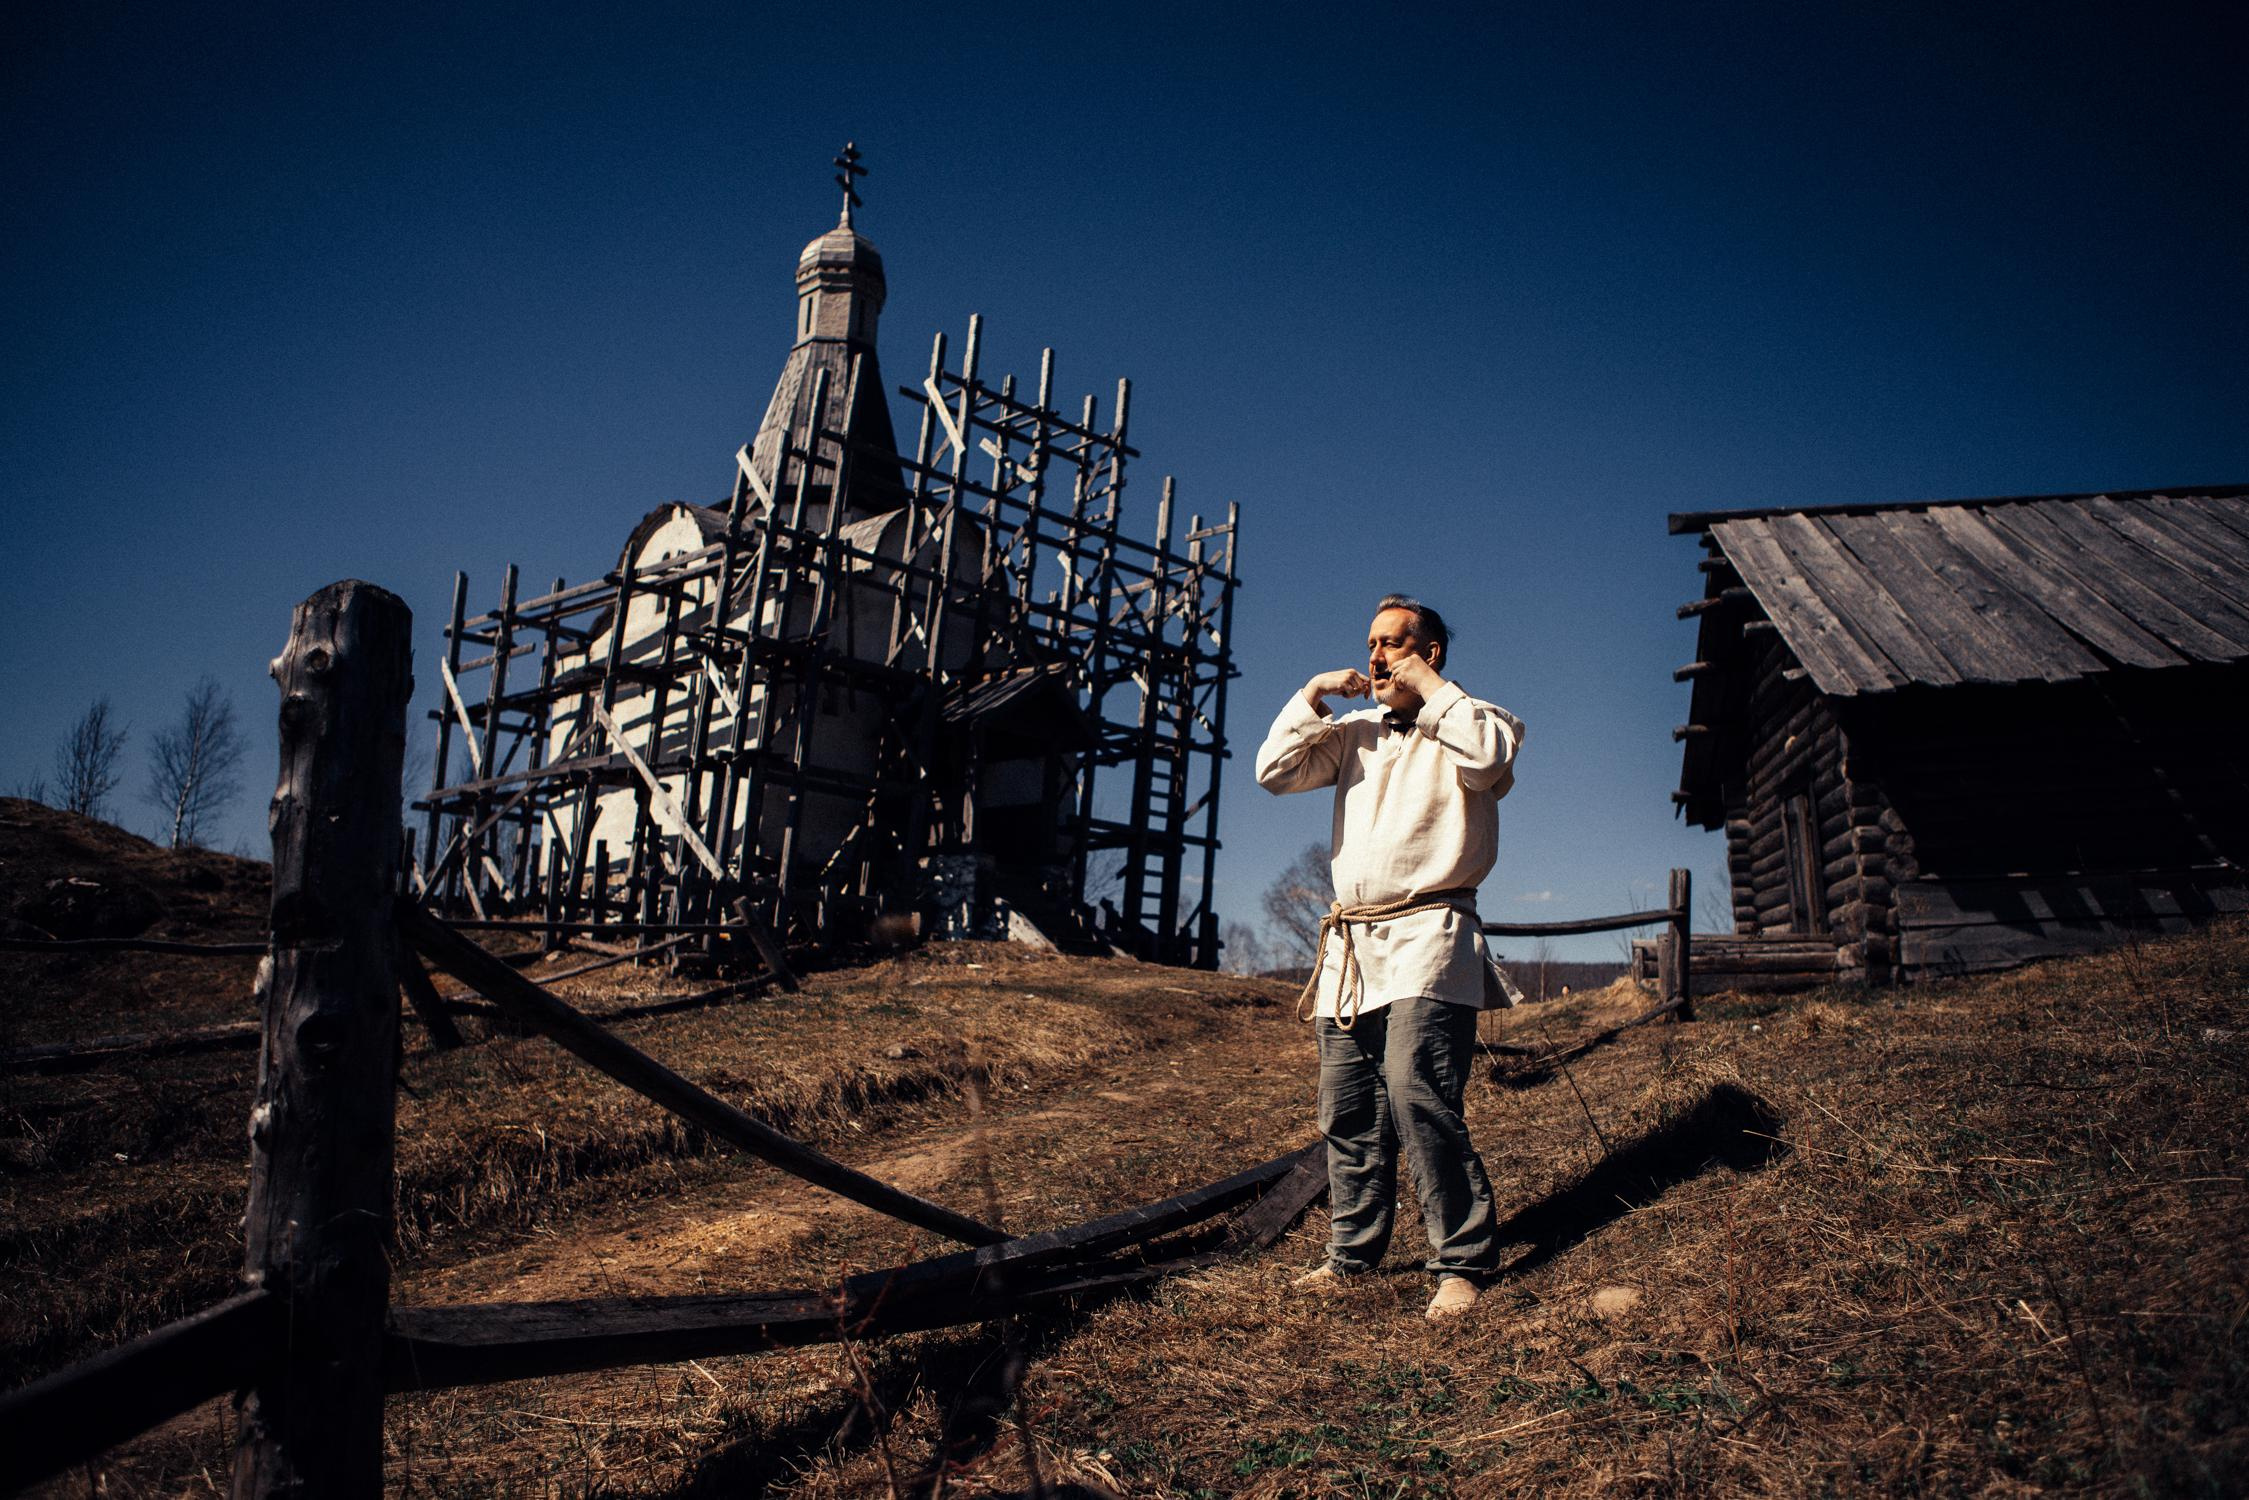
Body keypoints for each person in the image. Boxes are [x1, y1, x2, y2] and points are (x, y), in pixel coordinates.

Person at [1254, 593, 1526, 1322]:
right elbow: (1274, 773)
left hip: (1430, 937)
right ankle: (1352, 1254)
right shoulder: (1353, 734)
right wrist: (1312, 692)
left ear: (1429, 653)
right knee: (1346, 1110)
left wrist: (1431, 690)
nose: (1373, 656)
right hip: (1353, 946)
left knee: (1417, 1094)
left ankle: (1461, 1261)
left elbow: (1488, 759)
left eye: (1391, 644)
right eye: (1369, 643)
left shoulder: (1479, 720)